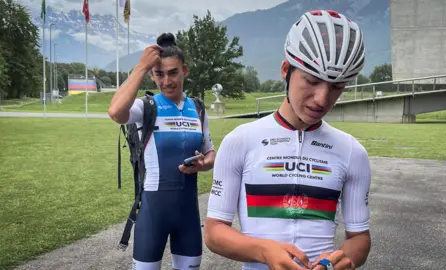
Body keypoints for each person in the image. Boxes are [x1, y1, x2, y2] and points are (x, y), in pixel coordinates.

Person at [204, 9, 370, 270]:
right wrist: (263, 251)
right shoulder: (241, 140)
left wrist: (345, 259)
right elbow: (214, 232)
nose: (322, 99)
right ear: (286, 70)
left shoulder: (352, 151)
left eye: (337, 87)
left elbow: (359, 237)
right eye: (312, 81)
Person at [108, 33, 216, 270]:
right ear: (151, 75)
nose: (167, 80)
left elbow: (210, 154)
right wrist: (140, 67)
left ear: (184, 70)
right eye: (159, 73)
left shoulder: (197, 108)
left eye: (173, 72)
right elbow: (116, 112)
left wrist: (203, 164)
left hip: (188, 215)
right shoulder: (146, 107)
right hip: (153, 213)